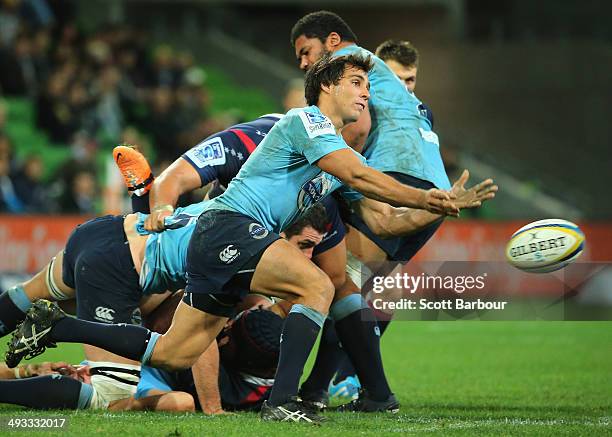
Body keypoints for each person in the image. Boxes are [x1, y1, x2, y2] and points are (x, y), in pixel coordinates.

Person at [6, 54, 462, 423]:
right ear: (327, 87)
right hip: (230, 226)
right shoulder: (307, 123)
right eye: (358, 82)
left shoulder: (333, 153)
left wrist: (436, 207)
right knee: (318, 285)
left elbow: (380, 218)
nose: (366, 93)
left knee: (175, 351)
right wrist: (428, 198)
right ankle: (284, 401)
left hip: (206, 239)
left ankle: (57, 325)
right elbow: (361, 174)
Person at [290, 11, 497, 411]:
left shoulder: (345, 65)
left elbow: (359, 127)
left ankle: (338, 391)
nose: (302, 62)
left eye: (305, 51)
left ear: (332, 41)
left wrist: (328, 160)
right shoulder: (380, 74)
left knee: (341, 284)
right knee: (352, 289)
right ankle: (333, 389)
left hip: (396, 177)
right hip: (430, 187)